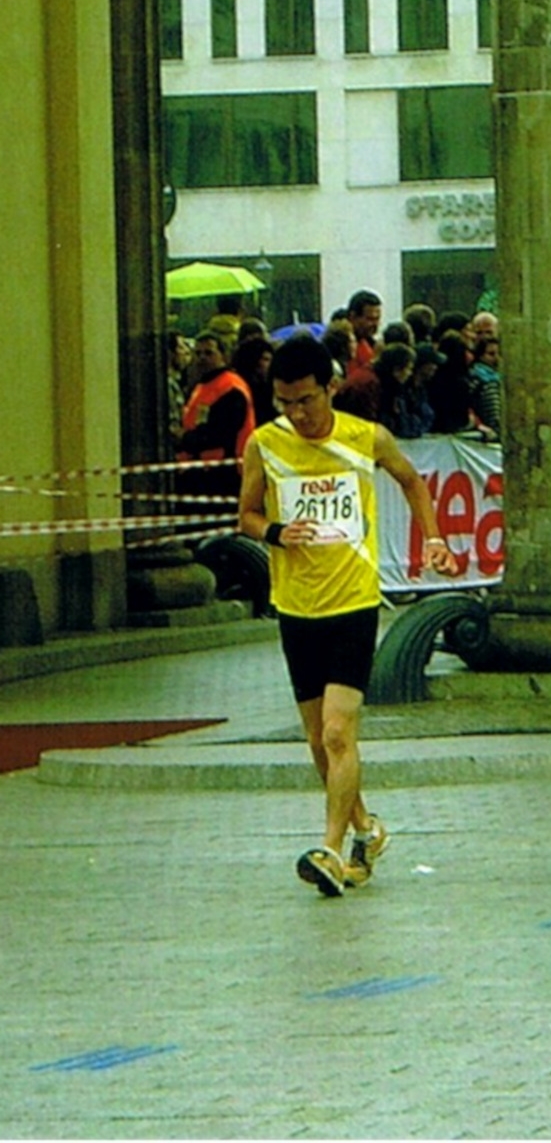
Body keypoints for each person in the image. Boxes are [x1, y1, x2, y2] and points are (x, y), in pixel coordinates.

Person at [237, 334, 458, 895]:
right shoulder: (266, 444)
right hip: (295, 605)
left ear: (330, 387)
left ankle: (330, 850)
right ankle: (365, 828)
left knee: (339, 731)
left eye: (306, 400)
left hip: (354, 601)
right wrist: (279, 533)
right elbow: (247, 516)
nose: (297, 414)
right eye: (284, 403)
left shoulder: (367, 437)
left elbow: (411, 480)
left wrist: (432, 539)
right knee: (318, 741)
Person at [177, 330, 258, 499]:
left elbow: (221, 433)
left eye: (209, 353)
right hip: (202, 471)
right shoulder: (202, 385)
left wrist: (184, 438)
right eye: (197, 353)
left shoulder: (230, 387)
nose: (202, 358)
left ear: (223, 356)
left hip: (224, 473)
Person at [344, 290, 383, 375]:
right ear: (353, 317)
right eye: (370, 319)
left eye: (377, 319)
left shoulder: (372, 345)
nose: (376, 324)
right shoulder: (341, 348)